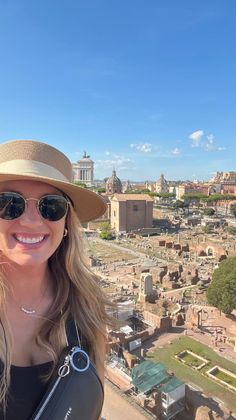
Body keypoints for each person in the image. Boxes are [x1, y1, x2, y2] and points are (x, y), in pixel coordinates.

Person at [0, 139, 110, 419]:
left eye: (52, 206)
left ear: (66, 225)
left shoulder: (87, 306)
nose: (32, 220)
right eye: (9, 203)